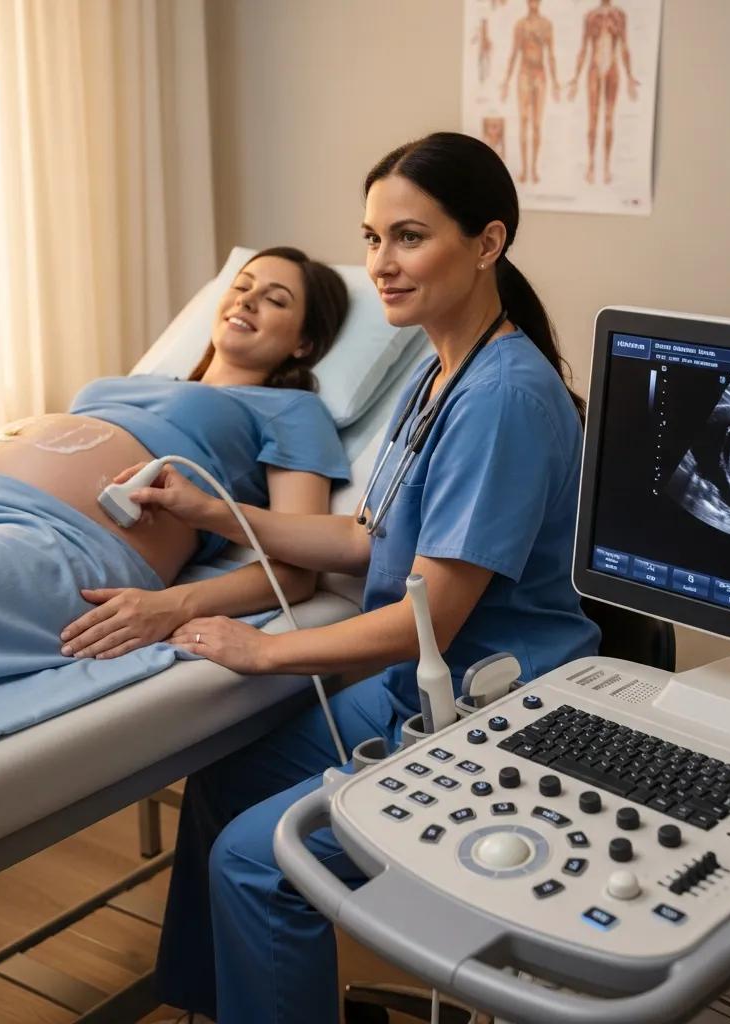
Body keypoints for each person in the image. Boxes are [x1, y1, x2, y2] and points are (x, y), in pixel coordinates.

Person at [140, 132, 600, 1024]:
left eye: (409, 238)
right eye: (372, 238)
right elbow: (365, 538)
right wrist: (216, 515)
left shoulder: (503, 398)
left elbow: (426, 623)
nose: (380, 265)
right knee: (221, 780)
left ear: (487, 243)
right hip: (411, 686)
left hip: (486, 706)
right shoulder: (437, 371)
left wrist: (264, 652)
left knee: (252, 860)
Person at [0, 248, 350, 694]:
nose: (247, 299)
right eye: (242, 286)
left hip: (63, 540)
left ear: (304, 343)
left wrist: (176, 604)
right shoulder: (127, 384)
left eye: (275, 299)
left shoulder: (289, 409)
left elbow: (295, 569)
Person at [566, 0, 640, 185]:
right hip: (594, 68)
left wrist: (630, 76)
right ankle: (591, 164)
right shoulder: (591, 16)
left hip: (612, 68)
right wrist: (575, 77)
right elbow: (584, 48)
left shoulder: (619, 15)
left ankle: (606, 166)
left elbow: (624, 46)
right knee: (593, 119)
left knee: (608, 118)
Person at [501, 0, 561, 185]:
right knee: (524, 121)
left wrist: (556, 81)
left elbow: (551, 54)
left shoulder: (546, 25)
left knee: (536, 124)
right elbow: (514, 53)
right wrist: (506, 81)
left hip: (540, 74)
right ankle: (525, 169)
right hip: (524, 74)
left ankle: (533, 168)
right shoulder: (520, 25)